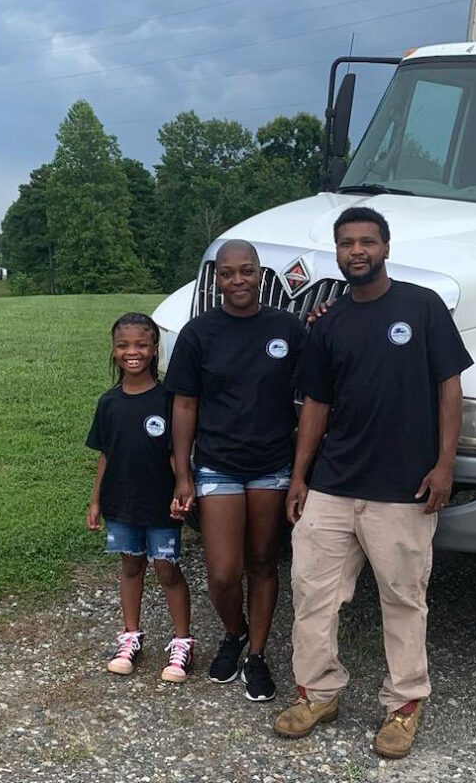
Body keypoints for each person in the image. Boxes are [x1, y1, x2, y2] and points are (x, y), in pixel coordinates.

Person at [274, 207, 473, 759]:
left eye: (367, 241)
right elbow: (317, 402)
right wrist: (300, 475)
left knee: (404, 599)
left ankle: (404, 704)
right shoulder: (330, 323)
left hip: (403, 488)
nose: (356, 251)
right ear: (337, 253)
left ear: (385, 247)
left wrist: (444, 465)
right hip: (334, 484)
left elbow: (449, 387)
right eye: (346, 243)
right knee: (312, 593)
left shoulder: (422, 307)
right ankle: (318, 693)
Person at [166, 239, 305, 702]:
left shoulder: (288, 327)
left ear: (261, 274)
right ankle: (235, 631)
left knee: (263, 562)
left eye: (247, 271)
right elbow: (184, 404)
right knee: (224, 571)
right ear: (218, 279)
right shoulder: (199, 333)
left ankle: (258, 655)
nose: (239, 280)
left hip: (271, 464)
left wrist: (325, 316)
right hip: (217, 463)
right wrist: (183, 472)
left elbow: (316, 390)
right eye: (229, 273)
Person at [86, 312, 194, 683]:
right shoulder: (109, 402)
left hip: (160, 504)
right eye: (123, 345)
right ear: (114, 350)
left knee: (167, 570)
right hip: (121, 503)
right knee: (131, 566)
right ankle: (130, 637)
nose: (132, 352)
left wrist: (183, 488)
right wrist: (97, 500)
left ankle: (182, 643)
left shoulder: (168, 399)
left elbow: (176, 454)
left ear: (154, 348)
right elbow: (105, 454)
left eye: (141, 345)